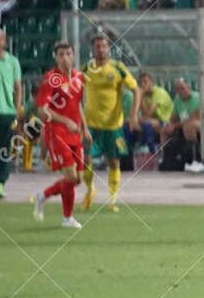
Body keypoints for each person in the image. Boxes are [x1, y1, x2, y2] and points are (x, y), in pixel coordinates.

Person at [80, 31, 137, 211]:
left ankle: (112, 200)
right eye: (98, 47)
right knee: (86, 159)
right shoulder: (86, 69)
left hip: (113, 125)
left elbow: (136, 90)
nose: (101, 50)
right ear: (93, 49)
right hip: (91, 125)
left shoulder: (118, 67)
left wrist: (133, 114)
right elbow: (74, 92)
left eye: (104, 46)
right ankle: (90, 190)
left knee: (114, 162)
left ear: (109, 48)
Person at [31, 41, 86, 229]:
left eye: (68, 53)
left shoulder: (79, 77)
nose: (65, 57)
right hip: (58, 132)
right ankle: (67, 218)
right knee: (70, 176)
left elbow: (78, 104)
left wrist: (84, 127)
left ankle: (43, 195)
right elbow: (42, 110)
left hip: (75, 133)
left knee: (78, 179)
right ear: (56, 57)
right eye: (61, 54)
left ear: (73, 55)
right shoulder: (50, 79)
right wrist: (66, 121)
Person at [0, 27, 22, 199]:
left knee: (4, 149)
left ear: (4, 41)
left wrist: (17, 110)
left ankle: (0, 182)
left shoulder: (13, 61)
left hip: (7, 112)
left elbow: (18, 87)